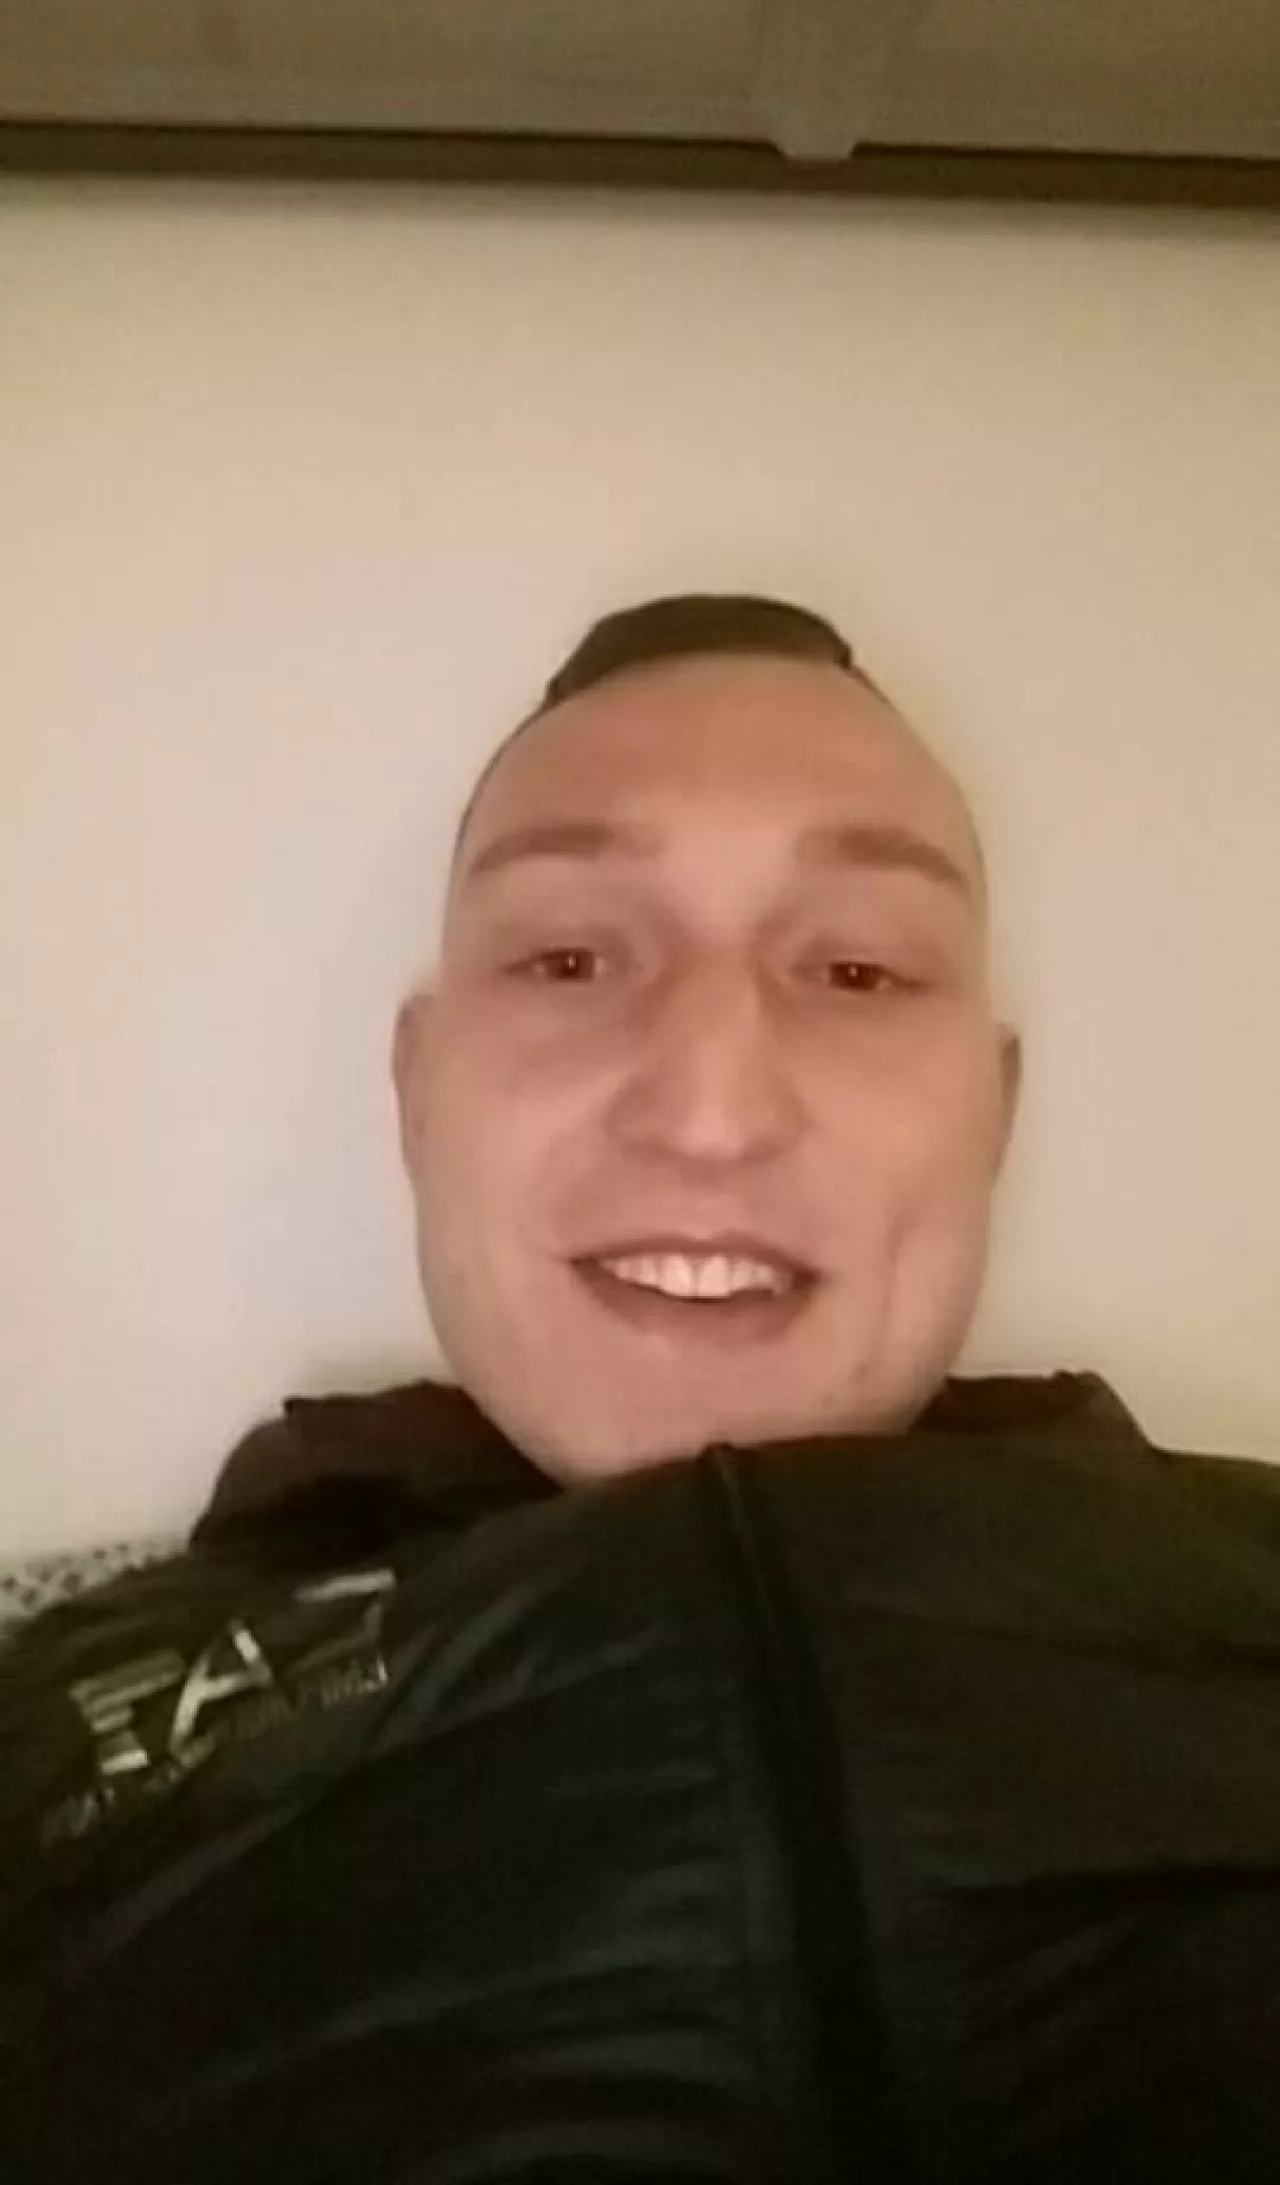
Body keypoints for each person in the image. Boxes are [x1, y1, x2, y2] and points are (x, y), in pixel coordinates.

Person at [3, 594, 1279, 2183]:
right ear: (418, 1090)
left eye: (861, 970)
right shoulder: (44, 1709)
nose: (710, 1109)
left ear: (995, 1112)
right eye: (567, 957)